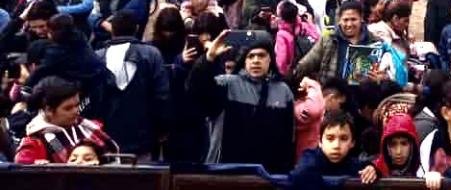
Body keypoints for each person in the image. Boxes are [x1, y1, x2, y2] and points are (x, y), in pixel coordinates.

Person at [188, 30, 297, 173]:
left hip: (268, 175)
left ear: (270, 59)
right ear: (244, 60)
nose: (256, 60)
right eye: (251, 56)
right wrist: (208, 58)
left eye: (261, 55)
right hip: (227, 170)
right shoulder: (227, 84)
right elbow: (195, 89)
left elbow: (288, 140)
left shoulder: (283, 92)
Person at [95, 10, 171, 157]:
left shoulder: (98, 57)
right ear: (136, 28)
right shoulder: (152, 54)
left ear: (113, 29)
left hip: (106, 137)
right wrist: (163, 128)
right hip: (144, 137)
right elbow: (162, 95)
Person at [14, 77, 119, 164]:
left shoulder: (87, 127)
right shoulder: (37, 142)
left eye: (77, 105)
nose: (76, 111)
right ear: (48, 110)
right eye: (68, 108)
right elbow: (22, 169)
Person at [294, 0, 376, 83]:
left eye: (353, 19)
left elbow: (386, 73)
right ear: (340, 20)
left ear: (361, 19)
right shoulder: (328, 40)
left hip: (363, 93)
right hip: (332, 93)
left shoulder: (373, 42)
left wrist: (379, 78)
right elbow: (305, 65)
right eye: (346, 20)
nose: (349, 24)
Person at [289, 109, 377, 187]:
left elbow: (368, 166)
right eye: (330, 138)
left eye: (343, 139)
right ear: (320, 141)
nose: (336, 145)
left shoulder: (357, 166)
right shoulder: (309, 159)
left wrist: (372, 170)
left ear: (352, 142)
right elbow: (300, 174)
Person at [371, 112, 420, 179]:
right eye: (393, 144)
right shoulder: (375, 170)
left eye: (404, 143)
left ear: (412, 146)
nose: (398, 151)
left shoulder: (424, 170)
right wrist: (372, 172)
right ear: (386, 147)